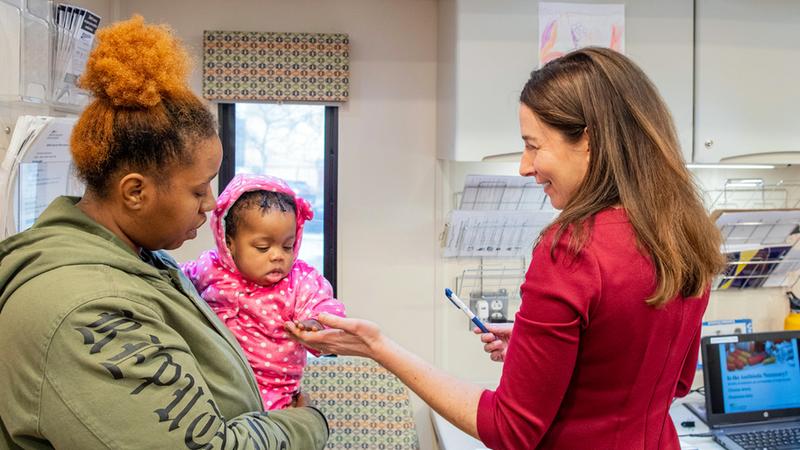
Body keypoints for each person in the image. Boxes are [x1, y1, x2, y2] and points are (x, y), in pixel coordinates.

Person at [287, 46, 726, 450]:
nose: (524, 167)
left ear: (588, 140)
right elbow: (674, 381)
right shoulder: (683, 235)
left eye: (534, 145)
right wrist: (544, 349)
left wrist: (379, 347)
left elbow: (510, 429)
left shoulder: (572, 250)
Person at [0, 16, 328, 449]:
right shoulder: (84, 311)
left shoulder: (144, 258)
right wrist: (307, 423)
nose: (211, 204)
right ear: (135, 192)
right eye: (198, 189)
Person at [182, 173, 346, 410]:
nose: (278, 255)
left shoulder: (299, 280)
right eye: (263, 247)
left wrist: (316, 324)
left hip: (274, 391)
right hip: (213, 384)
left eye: (288, 246)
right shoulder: (210, 268)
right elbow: (172, 279)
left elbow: (326, 307)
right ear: (230, 243)